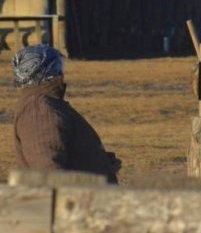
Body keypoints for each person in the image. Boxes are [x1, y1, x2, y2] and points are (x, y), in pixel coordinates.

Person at [12, 44, 120, 183]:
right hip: (75, 203)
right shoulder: (40, 110)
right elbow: (49, 171)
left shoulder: (48, 104)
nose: (61, 73)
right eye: (58, 66)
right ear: (48, 71)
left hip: (86, 199)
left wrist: (101, 163)